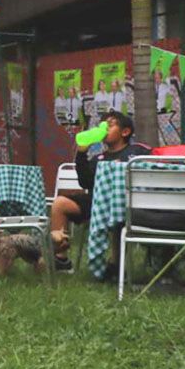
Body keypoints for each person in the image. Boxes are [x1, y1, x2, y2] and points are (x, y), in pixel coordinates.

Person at [48, 110, 150, 272]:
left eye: (110, 125)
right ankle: (61, 260)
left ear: (125, 132)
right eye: (102, 125)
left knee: (118, 214)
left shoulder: (138, 152)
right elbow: (85, 182)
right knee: (60, 204)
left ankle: (115, 264)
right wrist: (81, 153)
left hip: (128, 202)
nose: (104, 129)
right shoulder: (99, 158)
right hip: (99, 202)